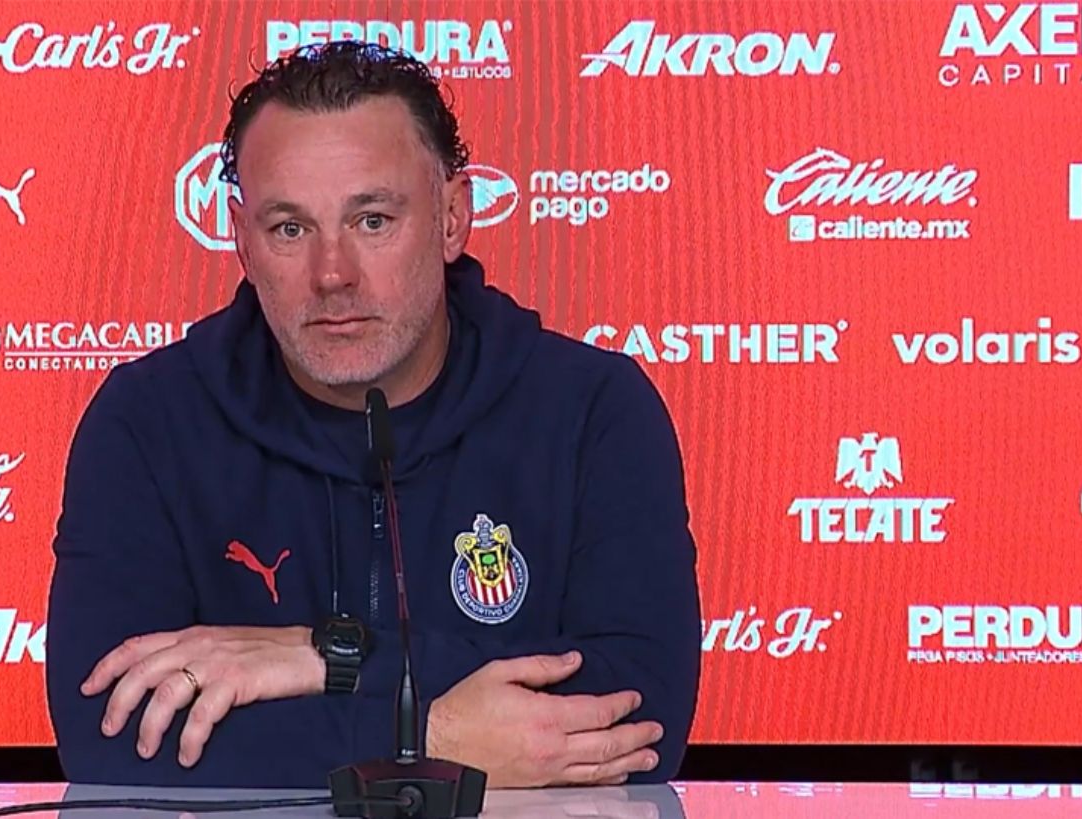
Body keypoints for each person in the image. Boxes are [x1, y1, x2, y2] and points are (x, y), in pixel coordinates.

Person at [46, 40, 701, 789]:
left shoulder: (593, 410)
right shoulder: (146, 421)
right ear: (240, 238)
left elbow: (639, 718)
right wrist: (430, 737)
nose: (333, 274)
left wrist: (322, 656)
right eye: (290, 228)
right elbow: (109, 737)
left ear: (452, 217)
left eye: (373, 221)